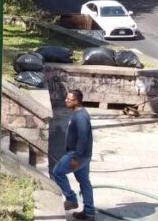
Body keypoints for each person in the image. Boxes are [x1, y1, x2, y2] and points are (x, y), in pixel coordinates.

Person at [52, 89, 95, 220]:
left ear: (76, 101)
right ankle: (89, 212)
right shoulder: (78, 113)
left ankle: (71, 199)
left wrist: (76, 158)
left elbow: (83, 138)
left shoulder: (81, 116)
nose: (66, 100)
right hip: (84, 154)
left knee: (57, 172)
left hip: (78, 154)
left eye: (69, 99)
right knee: (84, 182)